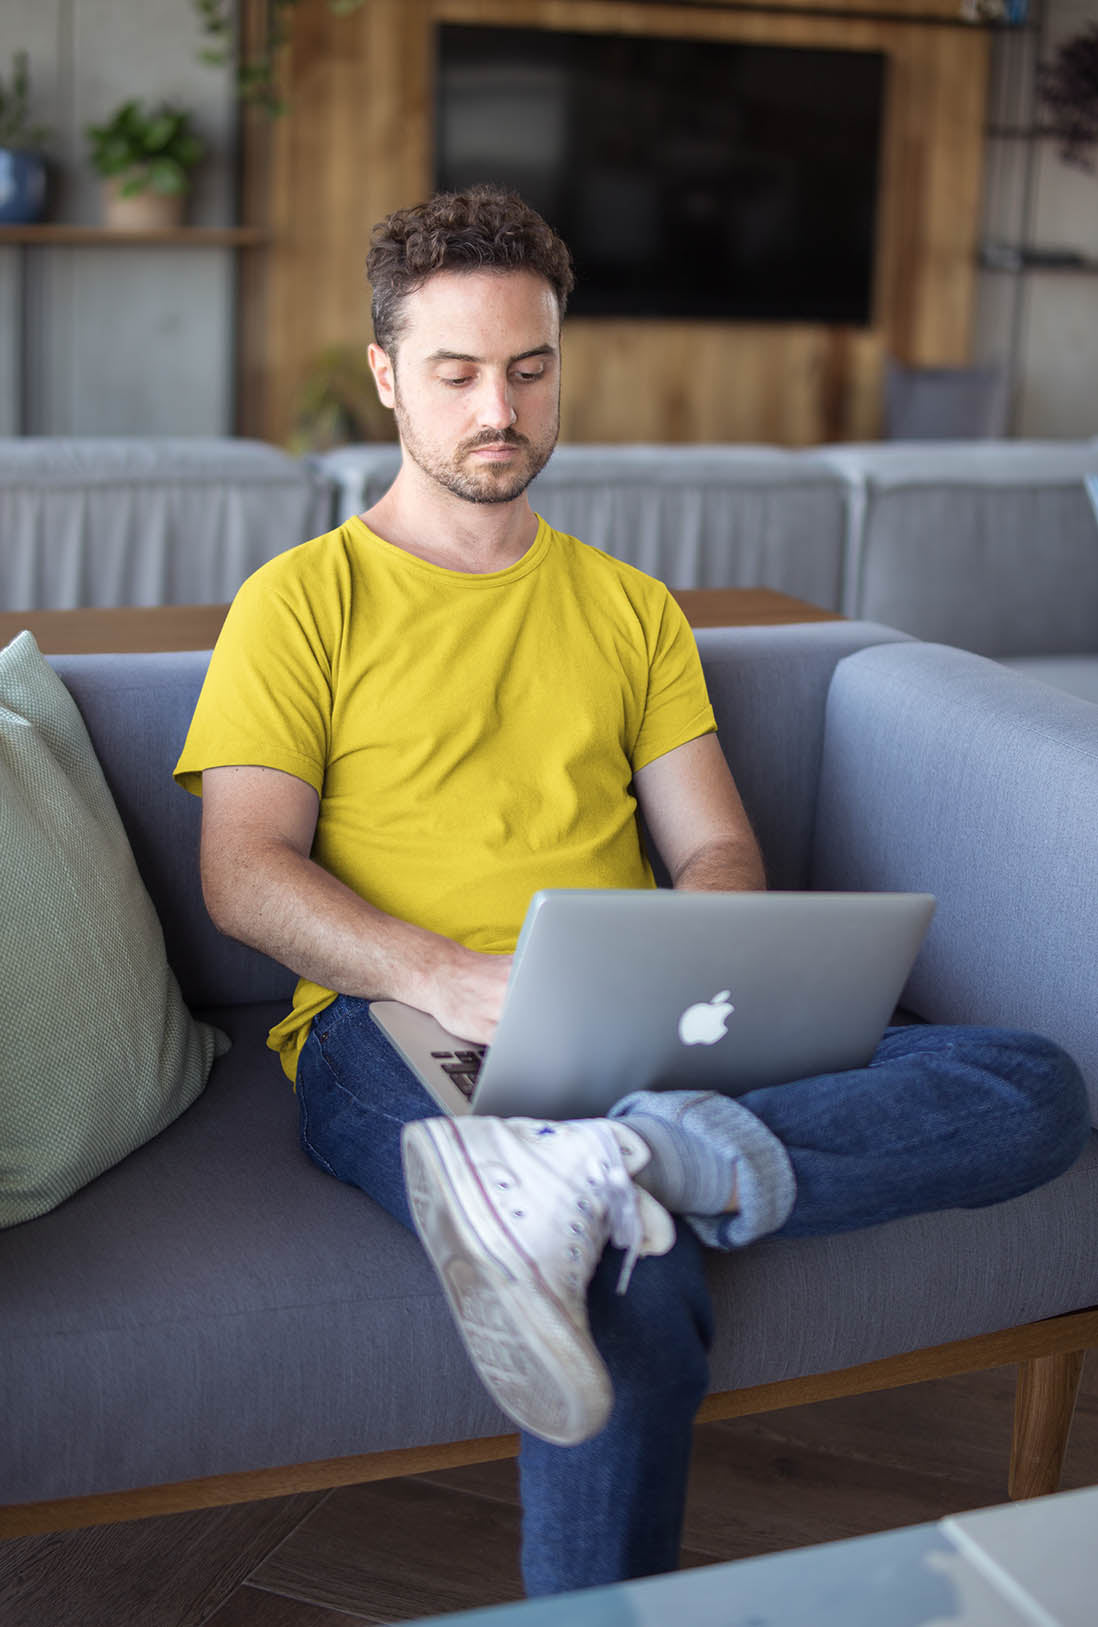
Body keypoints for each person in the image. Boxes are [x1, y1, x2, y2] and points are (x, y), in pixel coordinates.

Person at [174, 184, 1089, 1597]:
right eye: (457, 373)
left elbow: (713, 849)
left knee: (1034, 1084)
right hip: (397, 1028)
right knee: (619, 1277)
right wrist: (448, 978)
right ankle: (600, 1189)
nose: (500, 407)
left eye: (529, 369)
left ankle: (642, 1155)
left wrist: (694, 959)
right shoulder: (301, 601)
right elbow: (242, 872)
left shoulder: (627, 606)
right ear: (385, 377)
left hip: (641, 1029)